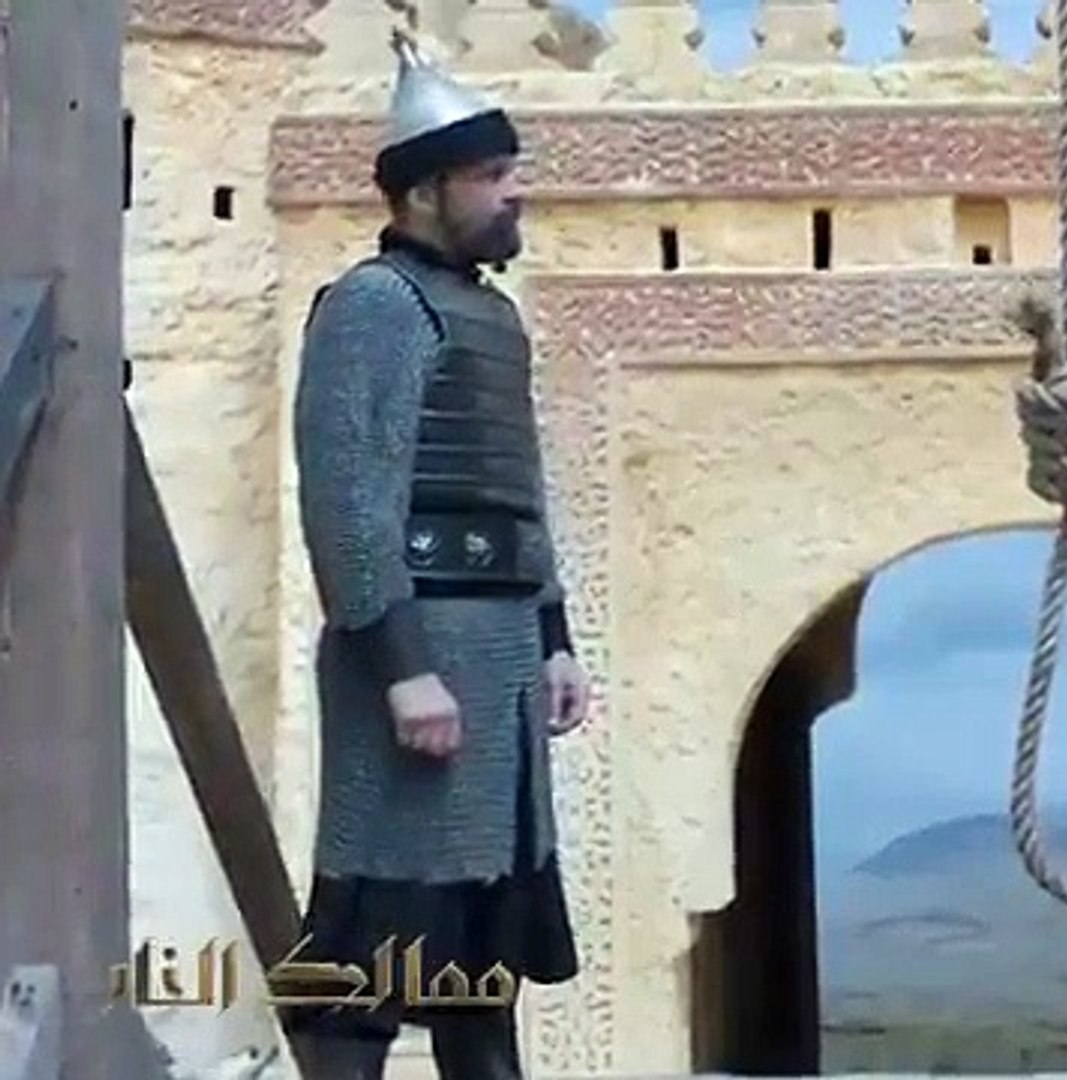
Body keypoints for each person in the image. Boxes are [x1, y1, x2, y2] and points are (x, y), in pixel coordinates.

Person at [285, 27, 591, 1080]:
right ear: (424, 191)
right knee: (370, 951)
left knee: (480, 958)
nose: (515, 193)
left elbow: (517, 491)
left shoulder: (489, 317)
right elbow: (347, 500)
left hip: (498, 662)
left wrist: (551, 636)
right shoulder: (376, 305)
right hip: (419, 660)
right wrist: (402, 665)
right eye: (492, 175)